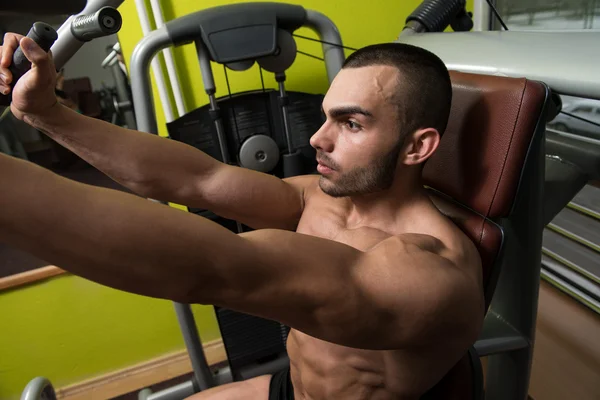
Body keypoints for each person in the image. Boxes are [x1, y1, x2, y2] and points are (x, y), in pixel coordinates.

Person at [0, 33, 484, 400]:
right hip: (291, 389)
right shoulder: (318, 199)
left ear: (418, 146)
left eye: (351, 124)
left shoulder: (430, 271)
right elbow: (197, 179)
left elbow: (218, 269)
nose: (318, 139)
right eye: (326, 117)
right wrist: (48, 114)